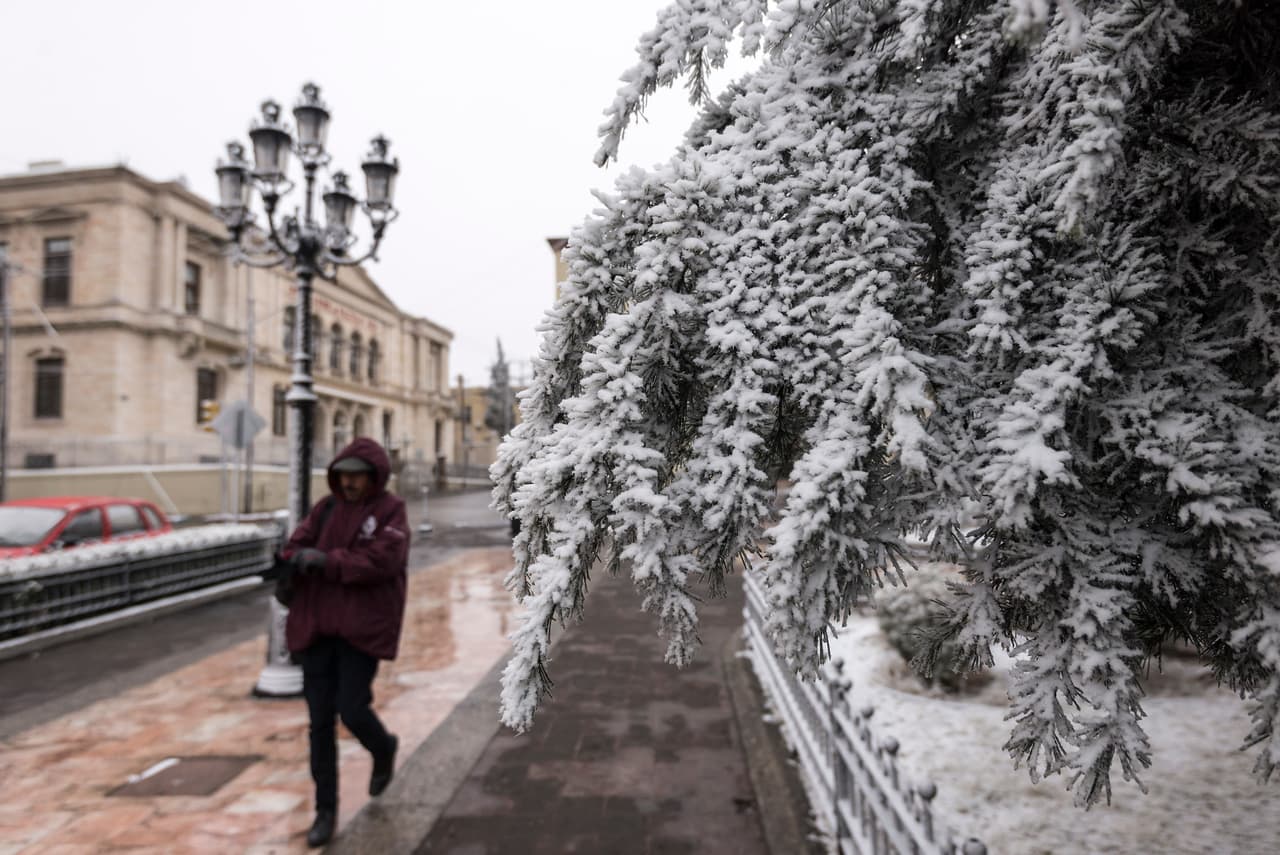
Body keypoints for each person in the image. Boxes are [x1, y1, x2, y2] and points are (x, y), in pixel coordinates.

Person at [280, 437, 410, 847]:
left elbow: (384, 560)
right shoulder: (326, 509)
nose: (350, 483)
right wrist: (294, 560)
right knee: (320, 723)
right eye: (344, 475)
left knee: (352, 709)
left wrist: (328, 562)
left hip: (359, 629)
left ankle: (382, 746)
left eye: (357, 476)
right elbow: (296, 543)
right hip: (317, 628)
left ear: (373, 476)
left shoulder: (391, 511)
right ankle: (325, 811)